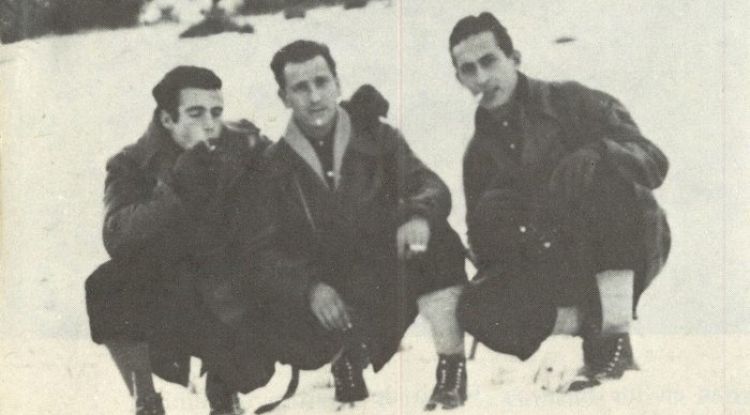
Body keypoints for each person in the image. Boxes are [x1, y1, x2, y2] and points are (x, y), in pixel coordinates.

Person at [449, 12, 671, 392]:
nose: (482, 78)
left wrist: (600, 152)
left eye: (489, 61)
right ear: (460, 79)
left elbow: (653, 160)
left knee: (604, 172)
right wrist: (504, 233)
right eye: (469, 69)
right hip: (551, 262)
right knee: (474, 307)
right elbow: (483, 245)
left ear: (514, 58)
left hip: (620, 245)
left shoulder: (571, 100)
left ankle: (615, 338)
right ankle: (590, 322)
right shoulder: (478, 154)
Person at [256, 40, 468, 410]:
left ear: (338, 83)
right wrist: (309, 288)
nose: (315, 96)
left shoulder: (378, 138)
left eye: (322, 82)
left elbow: (430, 184)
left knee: (439, 241)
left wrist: (417, 214)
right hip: (330, 288)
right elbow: (264, 250)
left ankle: (451, 366)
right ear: (283, 97)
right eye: (300, 88)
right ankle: (344, 358)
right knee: (286, 310)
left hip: (385, 268)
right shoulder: (275, 166)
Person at [85, 66, 275, 415]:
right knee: (106, 284)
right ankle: (145, 398)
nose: (209, 124)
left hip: (232, 285)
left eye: (216, 112)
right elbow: (116, 235)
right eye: (195, 113)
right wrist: (173, 190)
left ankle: (225, 391)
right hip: (171, 290)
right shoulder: (132, 163)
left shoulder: (242, 144)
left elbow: (294, 179)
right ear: (167, 119)